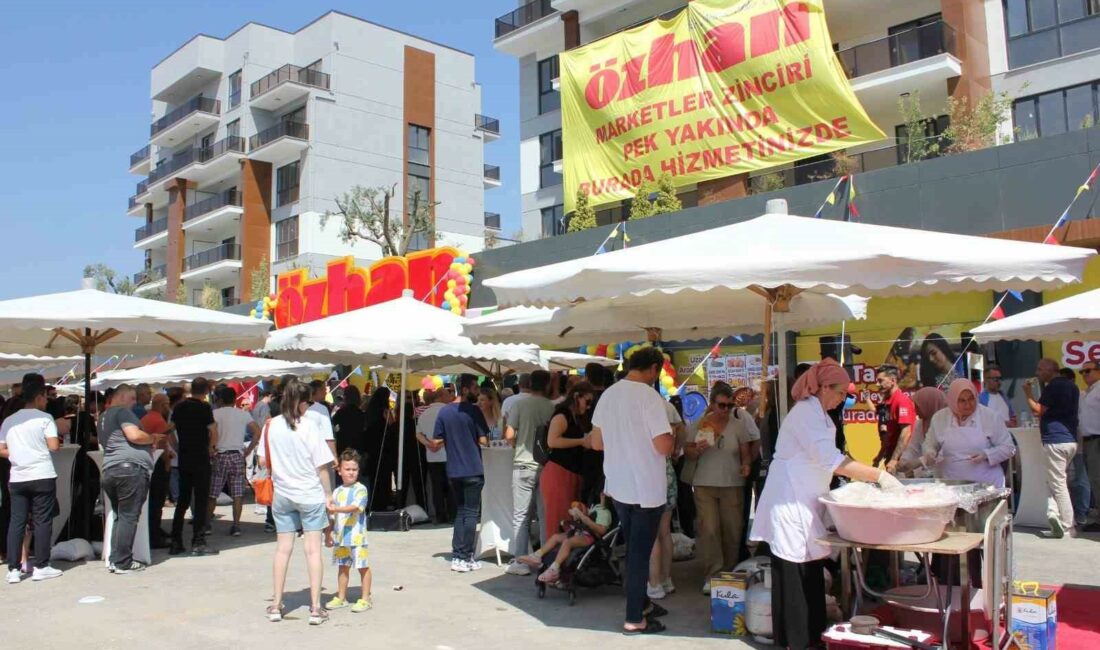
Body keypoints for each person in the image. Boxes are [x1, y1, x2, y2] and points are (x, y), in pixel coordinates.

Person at [750, 359, 902, 650]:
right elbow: (833, 462)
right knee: (795, 574)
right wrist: (878, 476)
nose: (842, 398)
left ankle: (812, 635)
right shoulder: (806, 414)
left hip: (804, 499)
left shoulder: (820, 414)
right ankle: (797, 640)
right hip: (789, 502)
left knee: (810, 572)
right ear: (822, 387)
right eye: (840, 391)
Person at [588, 347, 674, 635]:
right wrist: (673, 441)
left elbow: (596, 442)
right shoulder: (650, 397)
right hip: (646, 488)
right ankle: (634, 616)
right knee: (639, 554)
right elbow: (663, 445)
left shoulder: (609, 394)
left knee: (635, 550)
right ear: (653, 369)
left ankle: (642, 603)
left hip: (619, 485)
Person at [258, 379, 334, 625]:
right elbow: (322, 465)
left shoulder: (271, 426)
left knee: (282, 549)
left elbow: (262, 461)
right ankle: (315, 608)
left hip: (282, 494)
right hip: (310, 494)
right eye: (308, 402)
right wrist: (329, 494)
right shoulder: (310, 426)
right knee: (313, 550)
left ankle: (276, 605)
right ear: (301, 402)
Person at [683, 382, 759, 593]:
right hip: (704, 483)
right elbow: (686, 452)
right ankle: (713, 574)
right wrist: (696, 449)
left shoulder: (738, 425)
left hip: (732, 483)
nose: (725, 410)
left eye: (729, 405)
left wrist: (746, 465)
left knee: (733, 530)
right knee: (709, 529)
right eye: (721, 405)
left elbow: (745, 450)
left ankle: (729, 572)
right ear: (713, 404)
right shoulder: (700, 424)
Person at [1, 378, 63, 583]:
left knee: (17, 521)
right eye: (45, 397)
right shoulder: (45, 418)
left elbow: (1, 449)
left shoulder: (9, 421)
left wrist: (18, 453)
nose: (47, 401)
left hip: (18, 476)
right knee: (42, 520)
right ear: (38, 397)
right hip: (42, 473)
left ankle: (13, 569)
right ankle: (42, 566)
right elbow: (54, 446)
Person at [100, 384, 167, 573]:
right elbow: (134, 435)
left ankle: (116, 559)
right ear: (121, 397)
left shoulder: (103, 417)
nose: (135, 403)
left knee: (119, 516)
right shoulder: (122, 412)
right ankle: (123, 561)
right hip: (129, 470)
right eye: (132, 398)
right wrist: (152, 438)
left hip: (111, 470)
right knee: (129, 516)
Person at [434, 374, 490, 573]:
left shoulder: (444, 412)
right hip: (473, 468)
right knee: (471, 514)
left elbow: (437, 441)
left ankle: (458, 554)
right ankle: (465, 556)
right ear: (465, 389)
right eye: (475, 388)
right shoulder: (473, 411)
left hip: (454, 469)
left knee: (460, 512)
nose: (477, 391)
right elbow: (484, 441)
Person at [503, 369, 555, 576]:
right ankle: (544, 557)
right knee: (544, 515)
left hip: (523, 463)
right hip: (545, 465)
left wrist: (517, 445)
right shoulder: (551, 407)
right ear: (548, 385)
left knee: (521, 516)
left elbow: (508, 434)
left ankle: (520, 561)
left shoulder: (519, 404)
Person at [920, 379, 1016, 487]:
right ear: (952, 400)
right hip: (951, 484)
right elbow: (929, 444)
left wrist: (986, 455)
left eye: (971, 399)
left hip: (987, 484)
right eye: (962, 401)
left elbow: (1009, 448)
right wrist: (930, 452)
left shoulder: (990, 417)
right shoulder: (940, 418)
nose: (968, 405)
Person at [1025, 359, 1081, 538]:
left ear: (1051, 370)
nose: (1037, 372)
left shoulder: (1054, 387)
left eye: (1040, 369)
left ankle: (1067, 526)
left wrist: (1027, 393)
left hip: (1055, 440)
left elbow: (1037, 410)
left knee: (1058, 484)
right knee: (1055, 480)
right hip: (1070, 439)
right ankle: (1053, 514)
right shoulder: (1072, 386)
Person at [539, 382, 594, 557]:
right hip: (558, 473)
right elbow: (552, 441)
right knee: (558, 521)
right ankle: (552, 565)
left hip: (571, 473)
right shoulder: (562, 415)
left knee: (570, 521)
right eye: (588, 401)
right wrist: (581, 441)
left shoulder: (576, 416)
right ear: (577, 396)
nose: (589, 406)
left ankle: (561, 566)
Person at [169, 378, 219, 556]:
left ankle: (176, 541)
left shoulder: (179, 407)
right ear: (205, 391)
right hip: (201, 458)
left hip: (185, 458)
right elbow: (213, 430)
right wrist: (210, 448)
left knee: (182, 501)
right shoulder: (204, 408)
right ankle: (198, 542)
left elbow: (170, 430)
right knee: (200, 500)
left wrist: (177, 447)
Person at [520, 497, 612, 584]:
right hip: (581, 531)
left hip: (590, 537)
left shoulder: (605, 513)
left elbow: (601, 530)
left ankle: (554, 569)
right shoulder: (597, 507)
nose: (602, 493)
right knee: (556, 537)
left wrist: (583, 517)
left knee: (568, 542)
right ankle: (537, 556)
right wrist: (579, 513)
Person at [325, 449, 373, 613]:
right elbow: (332, 517)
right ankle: (341, 597)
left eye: (354, 469)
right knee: (342, 568)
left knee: (363, 567)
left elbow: (355, 507)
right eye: (347, 469)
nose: (351, 473)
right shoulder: (337, 492)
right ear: (339, 471)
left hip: (357, 538)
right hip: (341, 538)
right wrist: (328, 534)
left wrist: (336, 509)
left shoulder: (361, 489)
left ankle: (365, 598)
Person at [209, 385, 260, 537]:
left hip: (220, 453)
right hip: (237, 454)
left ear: (220, 399)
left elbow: (211, 432)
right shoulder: (242, 414)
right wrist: (249, 449)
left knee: (213, 493)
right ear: (234, 399)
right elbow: (257, 431)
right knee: (238, 493)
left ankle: (206, 525)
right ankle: (236, 525)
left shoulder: (215, 413)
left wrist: (211, 448)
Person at [649, 392, 684, 600]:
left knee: (652, 533)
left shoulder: (643, 408)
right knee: (665, 531)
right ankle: (666, 579)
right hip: (668, 469)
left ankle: (654, 583)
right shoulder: (667, 407)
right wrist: (676, 450)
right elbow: (682, 430)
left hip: (651, 472)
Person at [141, 393, 174, 549]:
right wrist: (167, 462)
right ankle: (154, 535)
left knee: (153, 501)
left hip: (148, 462)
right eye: (167, 404)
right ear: (162, 405)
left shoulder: (147, 418)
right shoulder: (158, 420)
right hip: (157, 464)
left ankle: (155, 531)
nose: (169, 407)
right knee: (157, 501)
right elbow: (161, 446)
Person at [416, 388, 453, 524]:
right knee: (450, 487)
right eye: (449, 394)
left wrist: (429, 444)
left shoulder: (424, 414)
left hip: (431, 456)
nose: (451, 397)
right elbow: (451, 432)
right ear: (442, 396)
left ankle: (440, 516)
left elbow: (418, 433)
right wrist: (440, 443)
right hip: (448, 454)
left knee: (436, 488)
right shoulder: (448, 412)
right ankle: (452, 514)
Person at [869, 366, 916, 472]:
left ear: (893, 381)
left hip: (902, 461)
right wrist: (880, 456)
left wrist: (894, 459)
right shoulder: (886, 403)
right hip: (891, 459)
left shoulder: (902, 401)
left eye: (880, 381)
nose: (877, 384)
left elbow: (906, 432)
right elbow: (887, 436)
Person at [896, 387, 948, 475]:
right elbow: (912, 448)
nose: (915, 410)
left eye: (918, 406)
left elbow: (946, 454)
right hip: (928, 477)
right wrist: (904, 463)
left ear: (929, 405)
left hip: (949, 476)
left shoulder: (949, 424)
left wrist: (920, 462)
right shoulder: (920, 424)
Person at [363, 387, 396, 511]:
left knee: (374, 479)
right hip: (384, 450)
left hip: (372, 450)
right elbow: (391, 428)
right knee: (384, 477)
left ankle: (374, 502)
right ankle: (383, 502)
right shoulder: (385, 412)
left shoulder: (369, 411)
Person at [1078, 361, 1100, 532]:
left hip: (1097, 439)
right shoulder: (1087, 392)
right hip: (1088, 440)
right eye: (1082, 372)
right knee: (1094, 480)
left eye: (1088, 371)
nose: (1084, 374)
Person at [332, 385, 367, 458]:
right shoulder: (361, 414)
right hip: (358, 447)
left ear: (345, 397)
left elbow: (333, 425)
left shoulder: (340, 413)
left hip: (343, 447)